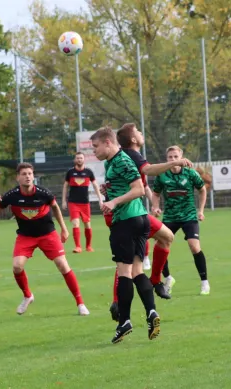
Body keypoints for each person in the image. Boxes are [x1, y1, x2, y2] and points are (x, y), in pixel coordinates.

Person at [107, 123, 194, 321]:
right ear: (134, 140)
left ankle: (132, 294)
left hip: (130, 213)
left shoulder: (125, 156)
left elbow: (140, 183)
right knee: (130, 261)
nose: (140, 133)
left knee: (151, 246)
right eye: (138, 131)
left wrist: (151, 202)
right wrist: (174, 163)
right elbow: (150, 170)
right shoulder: (132, 153)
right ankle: (149, 284)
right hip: (127, 215)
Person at [0, 162, 90, 316]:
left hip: (47, 234)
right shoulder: (11, 195)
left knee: (63, 265)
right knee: (17, 266)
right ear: (18, 178)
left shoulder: (44, 193)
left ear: (33, 176)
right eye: (24, 174)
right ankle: (28, 296)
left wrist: (63, 228)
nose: (28, 177)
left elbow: (55, 207)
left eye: (30, 174)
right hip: (25, 236)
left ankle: (80, 303)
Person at [91, 126, 160, 344]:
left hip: (127, 221)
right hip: (139, 220)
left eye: (96, 146)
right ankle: (151, 313)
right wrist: (109, 190)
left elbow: (139, 189)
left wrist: (113, 201)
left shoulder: (121, 160)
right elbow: (124, 186)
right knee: (138, 271)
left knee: (124, 274)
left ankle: (125, 322)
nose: (93, 151)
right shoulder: (111, 162)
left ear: (108, 143)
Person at [151, 145, 211, 295]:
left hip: (189, 216)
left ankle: (204, 282)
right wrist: (155, 207)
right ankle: (168, 278)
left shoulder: (190, 173)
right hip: (170, 217)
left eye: (175, 157)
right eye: (170, 157)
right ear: (167, 159)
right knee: (161, 245)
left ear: (181, 157)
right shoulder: (162, 175)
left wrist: (201, 210)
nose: (173, 159)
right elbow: (156, 193)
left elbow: (202, 190)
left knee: (194, 246)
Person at [62, 152, 104, 253]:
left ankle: (88, 246)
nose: (79, 160)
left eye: (81, 158)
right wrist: (64, 201)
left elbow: (95, 185)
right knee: (75, 223)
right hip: (73, 203)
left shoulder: (88, 172)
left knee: (87, 225)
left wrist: (100, 199)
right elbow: (65, 186)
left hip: (85, 203)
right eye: (77, 158)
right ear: (75, 160)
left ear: (84, 160)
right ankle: (78, 247)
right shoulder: (70, 172)